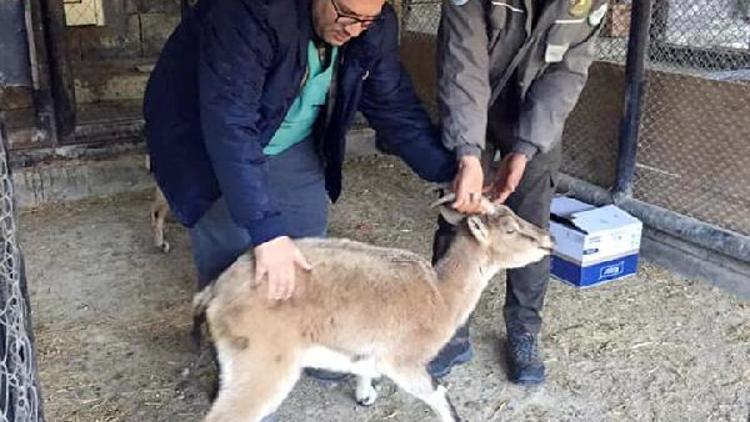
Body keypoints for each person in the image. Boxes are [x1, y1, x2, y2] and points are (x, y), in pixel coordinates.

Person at [143, 0, 459, 387]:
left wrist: (449, 172)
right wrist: (266, 230)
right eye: (347, 15)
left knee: (309, 247)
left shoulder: (368, 23)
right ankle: (240, 370)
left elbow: (393, 103)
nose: (355, 30)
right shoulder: (248, 12)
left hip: (289, 135)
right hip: (205, 139)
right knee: (231, 259)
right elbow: (229, 122)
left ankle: (307, 340)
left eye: (368, 20)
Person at [428, 0, 608, 385]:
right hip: (472, 102)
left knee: (532, 224)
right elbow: (463, 64)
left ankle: (524, 330)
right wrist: (468, 154)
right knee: (461, 212)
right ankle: (449, 329)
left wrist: (526, 148)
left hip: (534, 114)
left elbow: (568, 71)